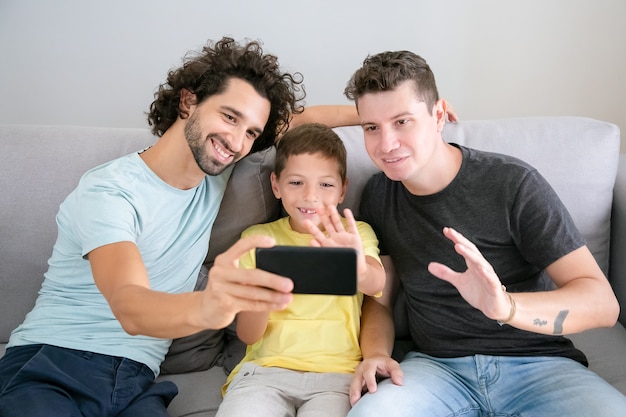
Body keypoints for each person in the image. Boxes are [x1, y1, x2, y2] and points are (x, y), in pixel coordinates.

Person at [0, 37, 359, 417]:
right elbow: (129, 304)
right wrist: (209, 306)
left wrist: (375, 116)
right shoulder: (111, 190)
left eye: (251, 132)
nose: (237, 142)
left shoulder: (215, 170)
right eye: (229, 116)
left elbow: (299, 120)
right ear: (188, 102)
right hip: (55, 365)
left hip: (136, 381)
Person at [343, 50, 626, 416]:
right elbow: (380, 299)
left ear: (439, 115)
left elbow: (602, 303)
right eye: (371, 128)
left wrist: (506, 307)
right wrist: (377, 355)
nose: (386, 144)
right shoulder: (380, 195)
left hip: (538, 366)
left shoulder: (512, 183)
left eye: (402, 121)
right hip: (436, 370)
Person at [215, 123, 385, 417]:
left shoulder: (355, 233)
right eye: (296, 183)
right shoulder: (256, 239)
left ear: (343, 189)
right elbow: (248, 335)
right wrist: (262, 297)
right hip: (265, 373)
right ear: (276, 185)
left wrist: (355, 264)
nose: (310, 196)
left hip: (337, 377)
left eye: (326, 184)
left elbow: (377, 282)